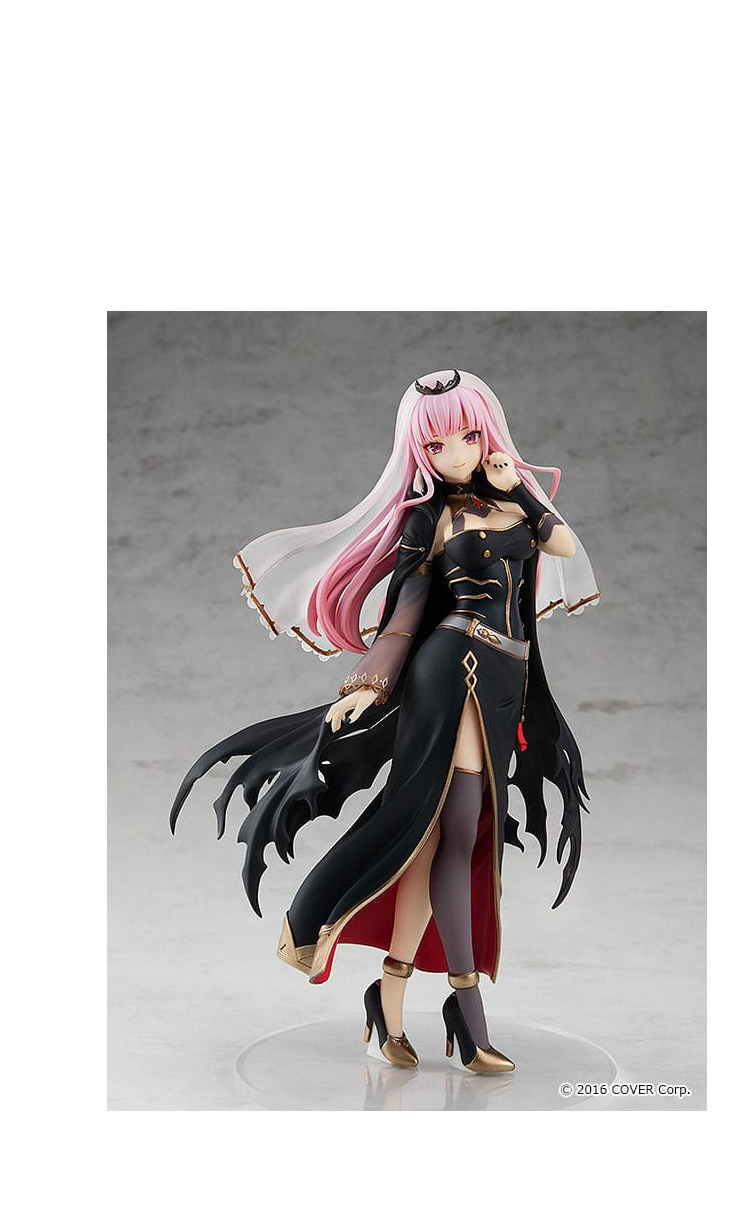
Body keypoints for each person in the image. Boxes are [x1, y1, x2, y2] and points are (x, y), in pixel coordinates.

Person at [171, 370, 599, 1073]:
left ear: (489, 432)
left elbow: (562, 546)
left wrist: (518, 487)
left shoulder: (513, 505)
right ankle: (467, 1012)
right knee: (457, 832)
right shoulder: (428, 518)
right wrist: (369, 682)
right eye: (437, 444)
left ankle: (388, 997)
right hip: (454, 667)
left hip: (505, 679)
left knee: (431, 841)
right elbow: (407, 609)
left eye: (469, 435)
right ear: (417, 452)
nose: (456, 453)